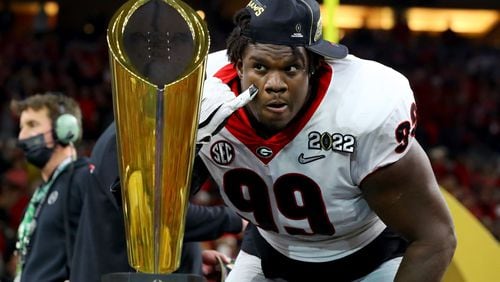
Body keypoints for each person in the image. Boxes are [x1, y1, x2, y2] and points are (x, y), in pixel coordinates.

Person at [196, 0, 457, 281]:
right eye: (259, 67)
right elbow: (156, 205)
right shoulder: (203, 99)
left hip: (368, 261)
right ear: (238, 66)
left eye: (291, 69)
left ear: (314, 67)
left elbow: (435, 237)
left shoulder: (361, 108)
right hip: (269, 252)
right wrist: (189, 142)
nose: (275, 84)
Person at [70, 120, 248, 282]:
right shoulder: (131, 134)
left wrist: (189, 257)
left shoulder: (129, 131)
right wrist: (236, 220)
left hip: (133, 272)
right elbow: (159, 218)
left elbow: (147, 226)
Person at [11, 93, 94, 282]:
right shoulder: (42, 192)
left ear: (65, 128)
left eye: (32, 125)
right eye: (21, 127)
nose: (22, 136)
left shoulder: (82, 178)